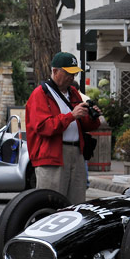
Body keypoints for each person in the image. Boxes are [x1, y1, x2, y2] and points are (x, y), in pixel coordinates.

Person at [25, 51, 102, 205]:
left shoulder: (73, 93)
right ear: (55, 71)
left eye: (74, 74)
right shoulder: (40, 94)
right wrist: (71, 116)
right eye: (68, 73)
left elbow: (83, 125)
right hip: (52, 156)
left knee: (76, 203)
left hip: (76, 154)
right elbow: (43, 127)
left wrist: (93, 118)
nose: (71, 77)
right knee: (52, 204)